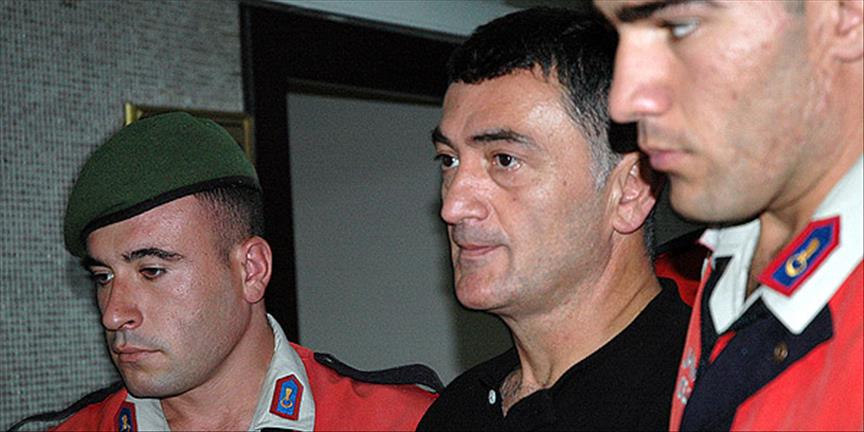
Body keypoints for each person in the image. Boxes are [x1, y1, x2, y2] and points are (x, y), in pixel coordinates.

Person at [13, 112, 438, 431]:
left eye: (152, 270)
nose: (113, 314)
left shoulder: (403, 422)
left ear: (251, 270)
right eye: (103, 277)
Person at [417, 8, 695, 430]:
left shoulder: (711, 399)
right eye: (449, 160)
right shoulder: (458, 412)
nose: (453, 206)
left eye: (504, 160)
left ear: (630, 190)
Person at [597, 0, 863, 430]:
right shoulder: (725, 258)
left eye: (680, 27)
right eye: (618, 39)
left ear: (845, 15)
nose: (624, 103)